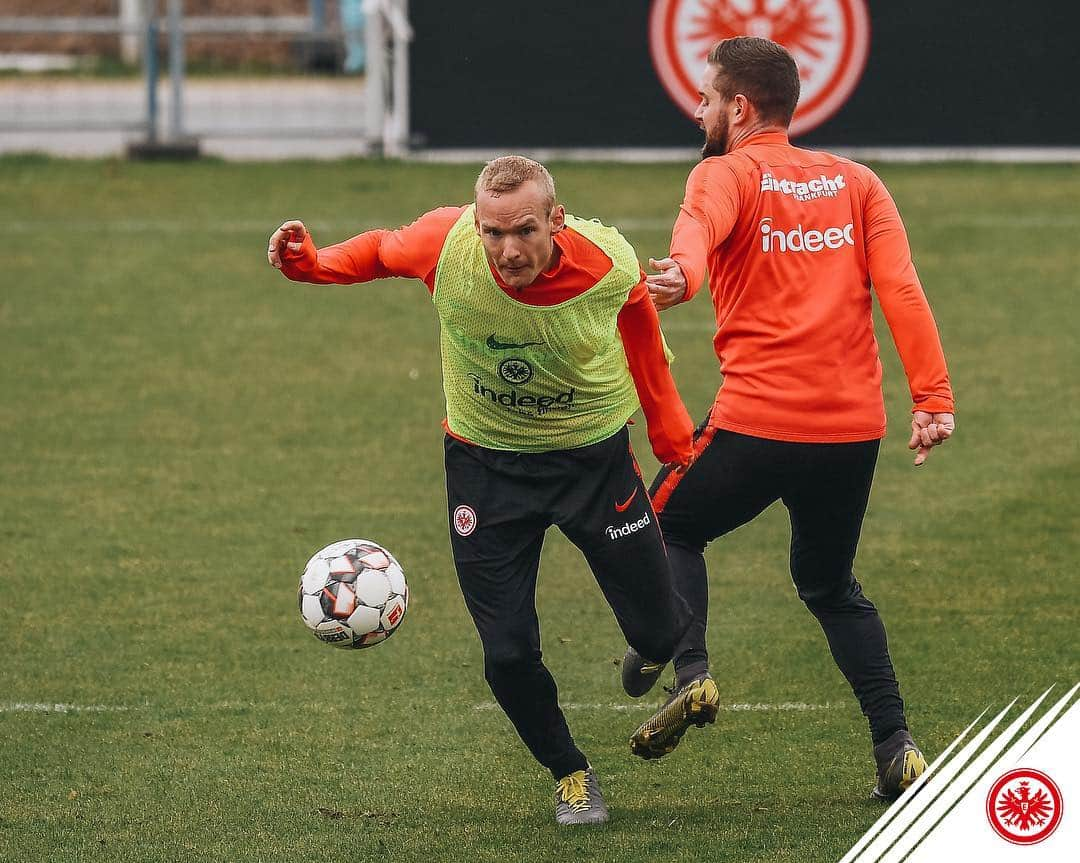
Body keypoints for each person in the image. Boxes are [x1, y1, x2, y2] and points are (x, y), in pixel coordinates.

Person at [267, 156, 696, 825]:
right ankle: (571, 771)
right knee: (505, 652)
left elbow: (638, 313)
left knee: (663, 630)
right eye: (493, 232)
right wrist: (311, 263)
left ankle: (650, 641)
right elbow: (380, 250)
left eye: (524, 230)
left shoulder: (606, 260)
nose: (507, 249)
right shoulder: (449, 242)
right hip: (486, 470)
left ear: (556, 219)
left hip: (593, 463)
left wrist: (668, 422)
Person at [621, 37, 955, 802]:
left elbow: (697, 233)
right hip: (851, 431)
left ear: (738, 108)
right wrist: (932, 400)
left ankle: (690, 670)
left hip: (758, 422)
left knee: (667, 524)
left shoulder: (726, 170)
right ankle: (894, 742)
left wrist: (683, 276)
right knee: (830, 584)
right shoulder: (857, 182)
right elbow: (901, 290)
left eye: (705, 98)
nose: (695, 108)